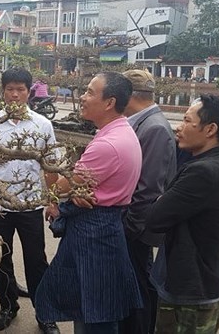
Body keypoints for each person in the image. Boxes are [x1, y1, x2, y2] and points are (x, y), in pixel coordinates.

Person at [35, 71, 143, 334]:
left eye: (90, 92)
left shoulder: (107, 144)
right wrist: (72, 191)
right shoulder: (120, 132)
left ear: (109, 102)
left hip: (95, 233)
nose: (83, 97)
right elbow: (79, 183)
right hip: (102, 227)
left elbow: (63, 186)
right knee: (90, 303)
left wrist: (56, 192)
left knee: (97, 308)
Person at [0, 67, 59, 333]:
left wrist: (52, 201)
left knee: (36, 259)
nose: (15, 95)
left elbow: (50, 166)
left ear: (29, 92)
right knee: (2, 259)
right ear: (3, 91)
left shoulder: (42, 124)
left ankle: (45, 313)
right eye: (10, 89)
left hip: (30, 205)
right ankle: (8, 306)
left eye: (21, 89)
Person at [147, 94, 219, 334]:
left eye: (187, 121)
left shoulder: (203, 172)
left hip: (192, 289)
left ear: (210, 129)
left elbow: (155, 218)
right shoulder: (218, 165)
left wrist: (162, 202)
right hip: (198, 281)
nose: (179, 127)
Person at [117, 69, 177, 334]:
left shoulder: (154, 128)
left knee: (140, 286)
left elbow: (148, 188)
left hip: (137, 228)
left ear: (127, 95)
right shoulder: (140, 122)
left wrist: (130, 229)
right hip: (135, 224)